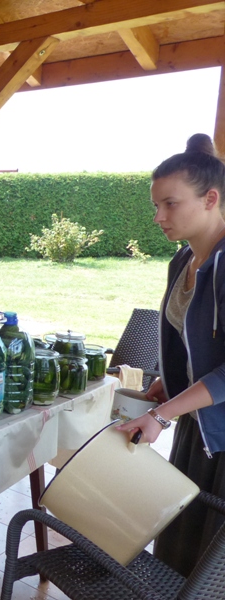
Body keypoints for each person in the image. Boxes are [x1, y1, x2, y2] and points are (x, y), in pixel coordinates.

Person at [117, 133, 225, 577]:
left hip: (221, 432)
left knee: (209, 562)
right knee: (180, 541)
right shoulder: (182, 261)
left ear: (210, 199)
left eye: (170, 204)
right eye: (155, 205)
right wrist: (171, 381)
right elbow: (189, 337)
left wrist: (162, 416)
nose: (159, 217)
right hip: (195, 422)